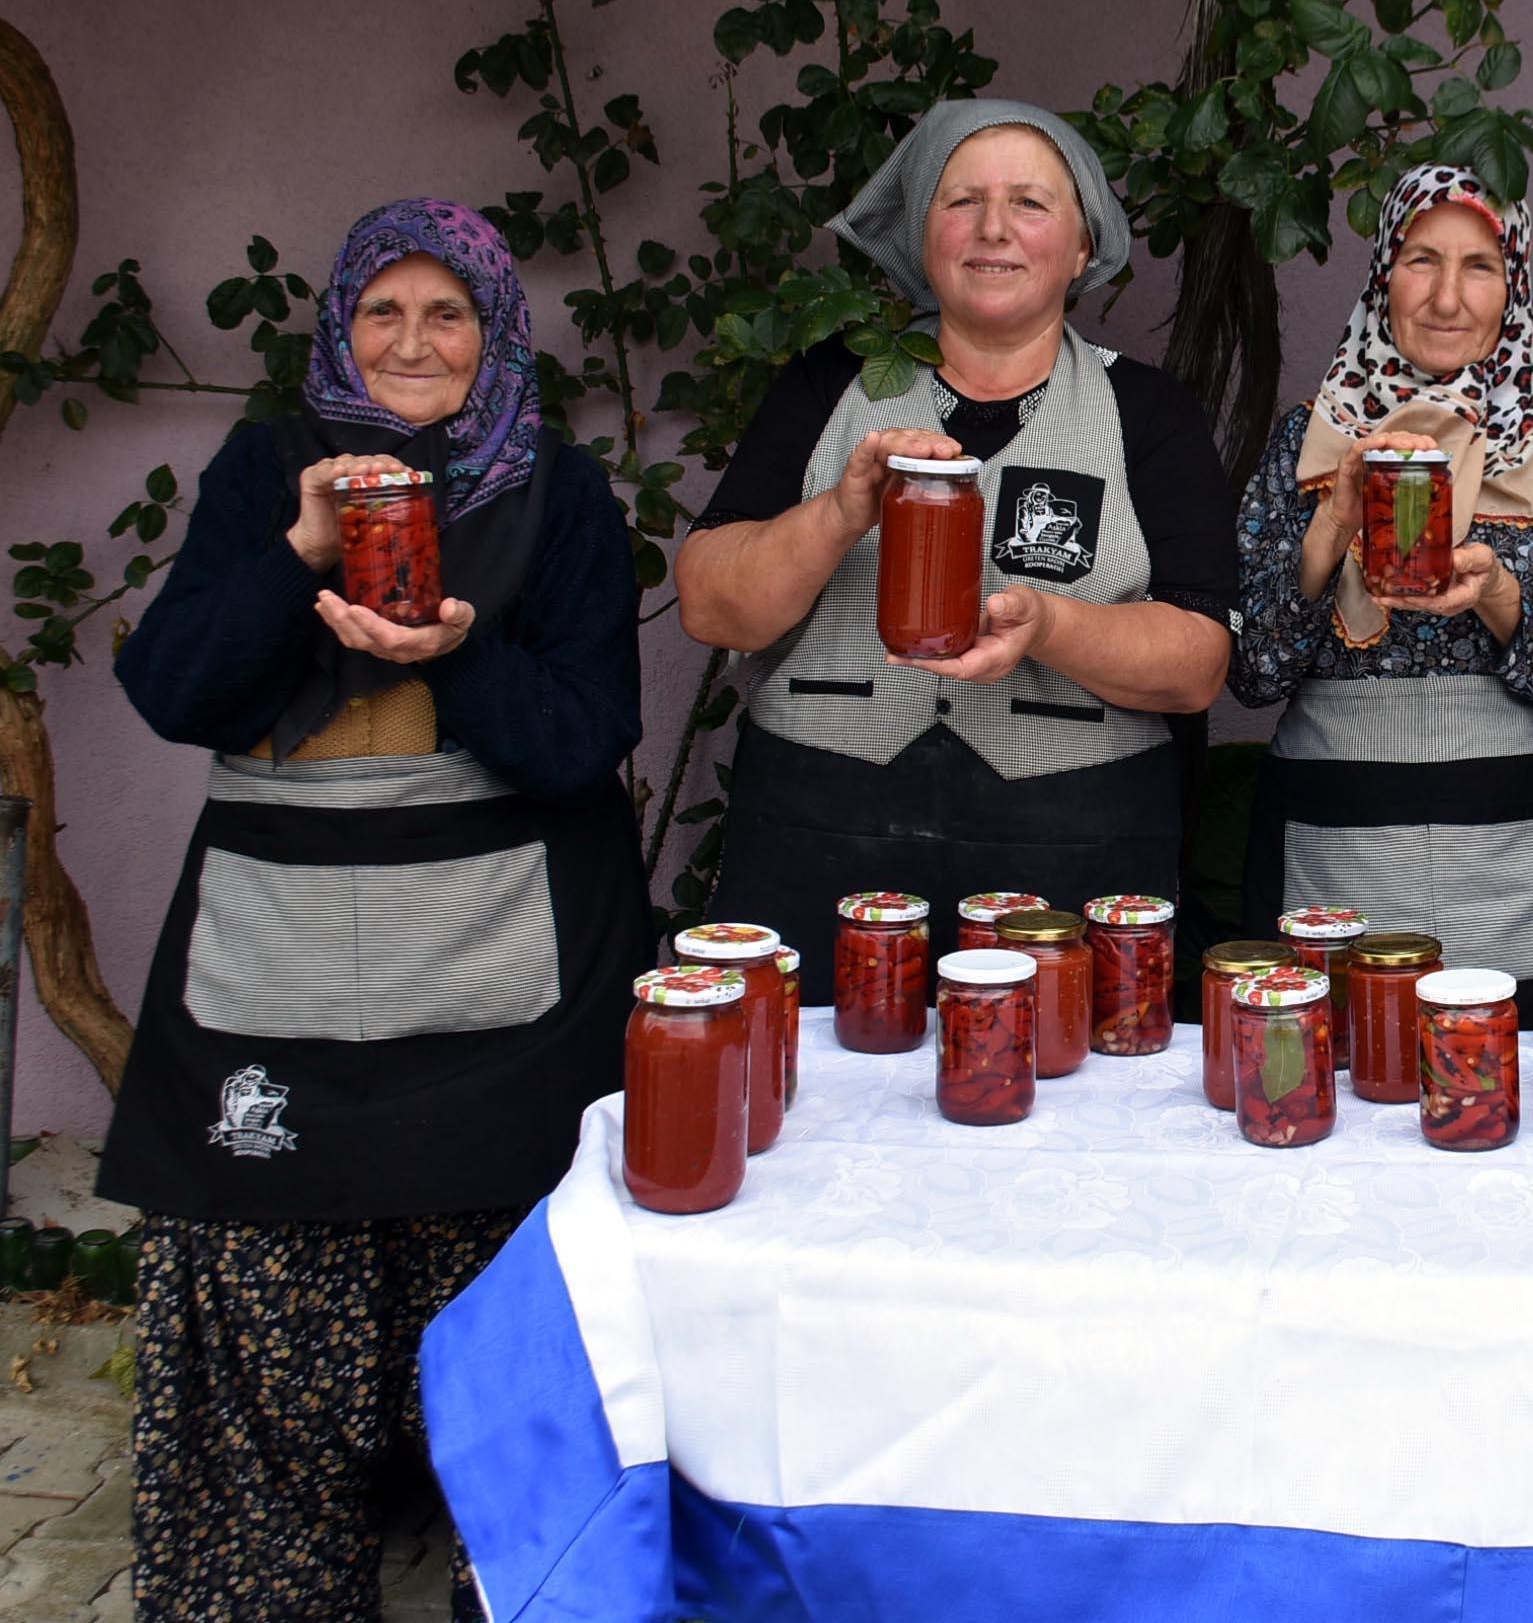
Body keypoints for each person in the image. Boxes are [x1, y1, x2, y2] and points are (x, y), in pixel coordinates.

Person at [101, 198, 653, 1621]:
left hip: (507, 974)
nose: (413, 341)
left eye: (447, 313)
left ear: (498, 336)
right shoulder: (264, 473)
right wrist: (295, 557)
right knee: (261, 1275)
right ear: (338, 330)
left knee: (511, 1317)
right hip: (277, 959)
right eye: (381, 313)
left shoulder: (563, 493)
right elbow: (174, 691)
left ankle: (524, 1589)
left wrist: (450, 657)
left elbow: (583, 740)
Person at [677, 101, 1235, 973]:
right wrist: (838, 511)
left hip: (1072, 858)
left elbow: (1198, 665)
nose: (993, 230)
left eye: (1031, 204)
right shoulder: (829, 388)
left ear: (1082, 249)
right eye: (961, 201)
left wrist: (1049, 628)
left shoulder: (1146, 413)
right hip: (817, 844)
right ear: (921, 237)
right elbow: (712, 606)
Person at [1228, 164, 1533, 1014]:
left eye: (1481, 265)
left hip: (1524, 852)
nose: (1448, 296)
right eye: (1422, 259)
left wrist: (1498, 597)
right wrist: (1333, 525)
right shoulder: (1309, 443)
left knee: (1517, 1089)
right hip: (1335, 846)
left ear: (1513, 285)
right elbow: (1253, 673)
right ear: (1383, 274)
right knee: (1334, 1082)